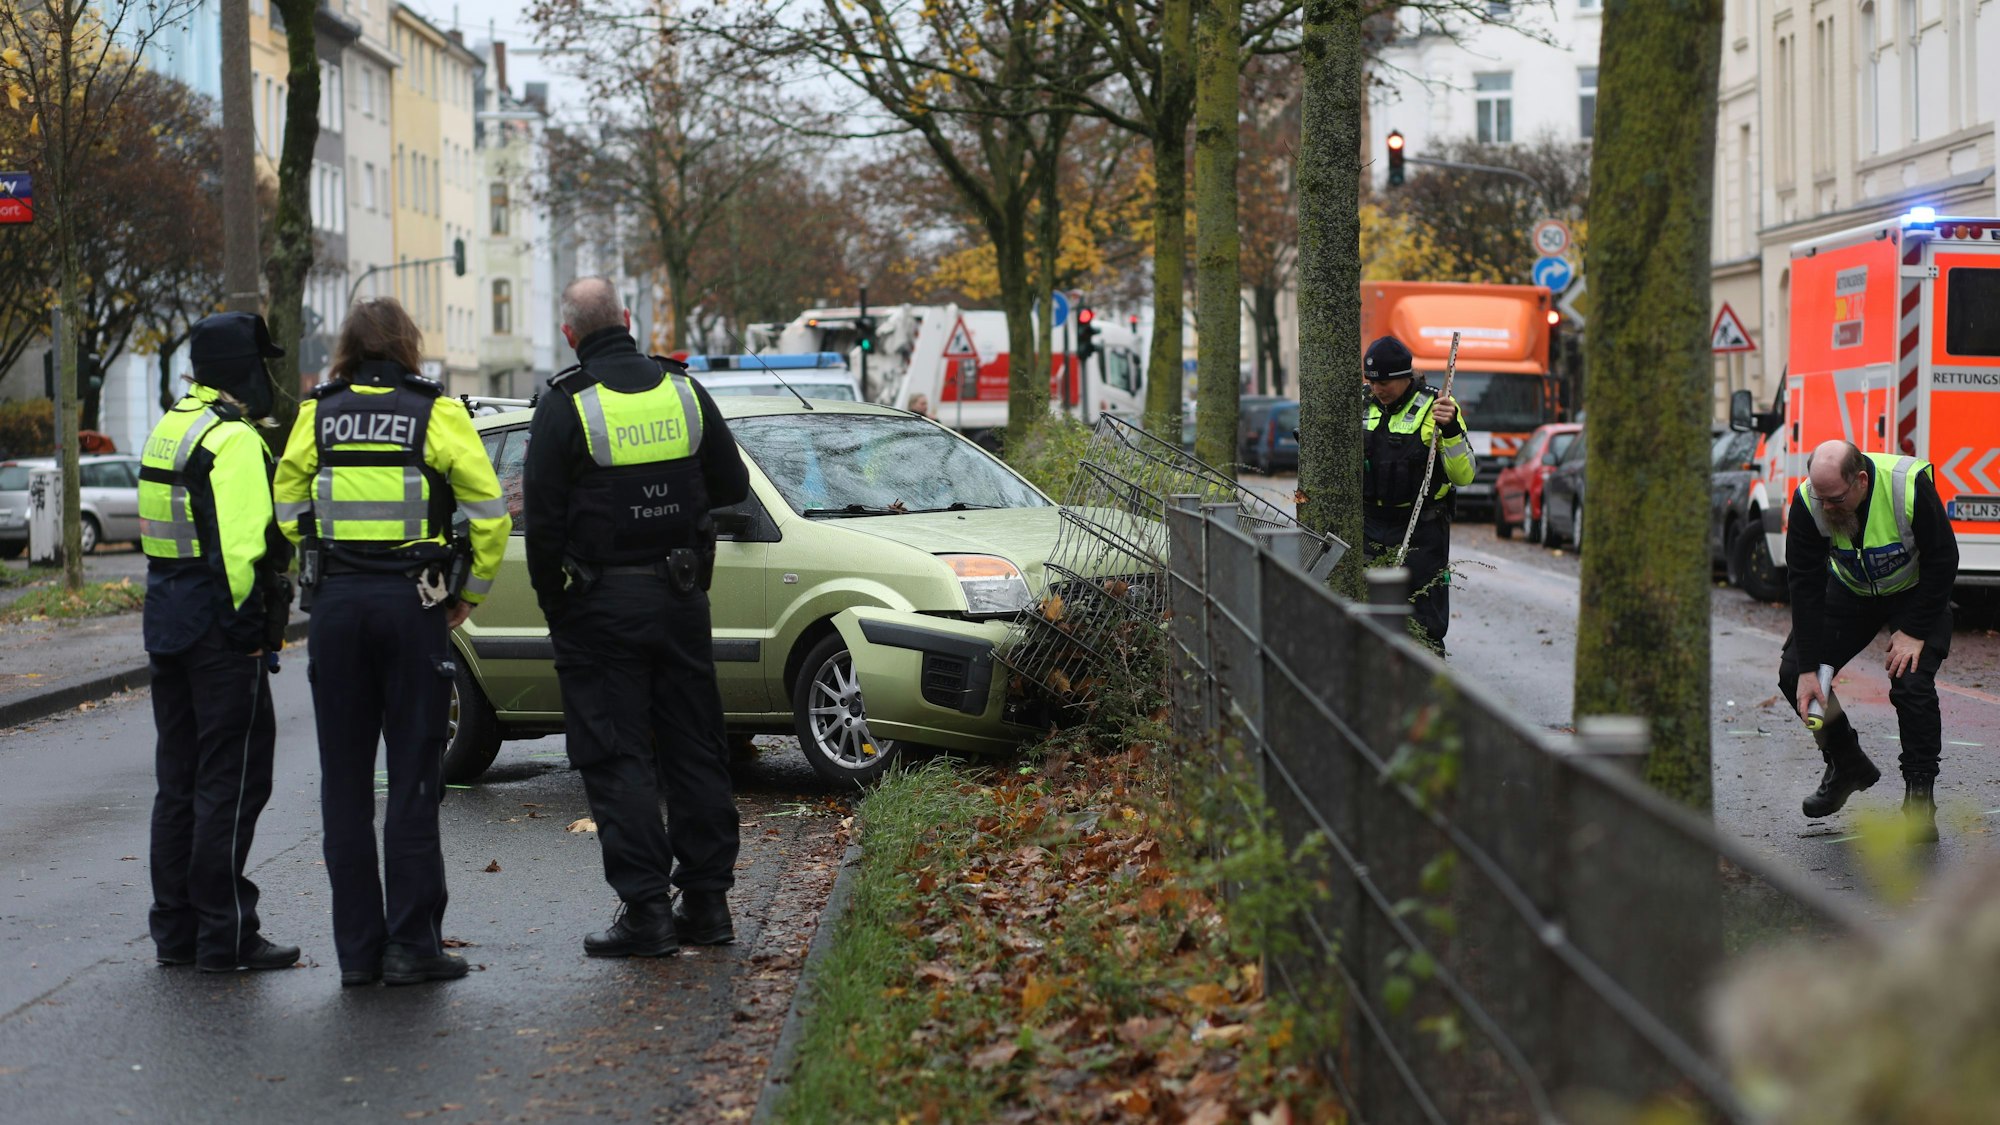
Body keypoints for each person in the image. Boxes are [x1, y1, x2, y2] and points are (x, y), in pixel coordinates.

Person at [274, 298, 511, 986]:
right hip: (415, 602)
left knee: (344, 785)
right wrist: (470, 591)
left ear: (348, 346)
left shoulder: (318, 411)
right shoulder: (434, 412)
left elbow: (286, 502)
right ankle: (413, 947)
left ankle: (357, 955)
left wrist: (313, 551)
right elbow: (490, 514)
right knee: (411, 778)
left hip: (340, 604)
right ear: (408, 344)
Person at [523, 276, 750, 958]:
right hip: (681, 599)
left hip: (599, 609)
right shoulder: (684, 391)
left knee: (617, 754)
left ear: (571, 334)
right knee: (695, 745)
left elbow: (542, 528)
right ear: (628, 318)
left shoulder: (565, 406)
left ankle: (647, 911)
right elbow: (732, 488)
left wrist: (559, 608)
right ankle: (707, 905)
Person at [139, 311, 299, 973]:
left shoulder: (172, 426)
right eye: (262, 363)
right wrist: (250, 637)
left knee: (177, 782)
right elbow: (241, 551)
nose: (268, 376)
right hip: (217, 631)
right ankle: (225, 932)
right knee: (228, 783)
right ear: (243, 368)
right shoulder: (232, 439)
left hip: (167, 623)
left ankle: (175, 931)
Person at [1779, 440, 1958, 840]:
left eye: (1836, 498)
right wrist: (1808, 668)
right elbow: (1804, 585)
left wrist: (1913, 631)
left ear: (1860, 480)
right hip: (1850, 594)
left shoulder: (1906, 485)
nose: (1826, 508)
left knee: (1911, 681)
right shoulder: (1810, 501)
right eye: (1820, 497)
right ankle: (1846, 765)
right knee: (1795, 673)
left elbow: (1944, 558)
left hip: (1915, 595)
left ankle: (1918, 798)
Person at [1359, 335, 1475, 651]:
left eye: (1385, 383)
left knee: (1425, 616)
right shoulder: (1362, 404)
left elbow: (1463, 475)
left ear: (1405, 377)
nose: (1377, 389)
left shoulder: (1438, 408)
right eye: (1371, 381)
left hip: (1422, 527)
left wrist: (1450, 431)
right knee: (1367, 609)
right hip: (1370, 523)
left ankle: (1425, 681)